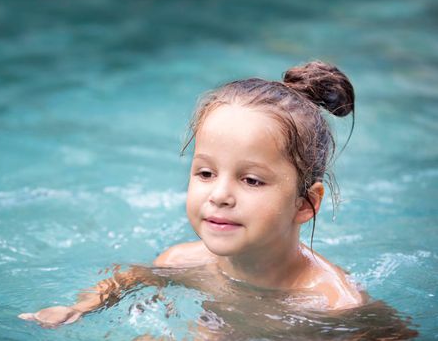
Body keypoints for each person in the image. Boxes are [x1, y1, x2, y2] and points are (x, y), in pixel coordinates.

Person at [19, 60, 366, 329]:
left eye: (251, 180)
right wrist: (79, 308)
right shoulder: (181, 261)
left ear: (305, 204)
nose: (220, 195)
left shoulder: (334, 303)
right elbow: (131, 278)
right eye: (205, 173)